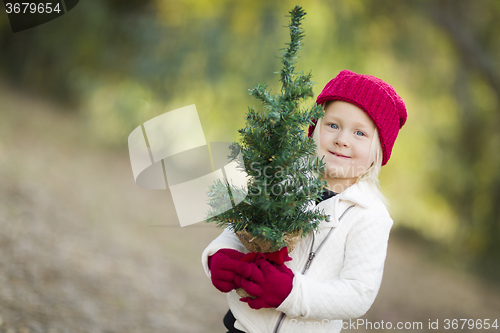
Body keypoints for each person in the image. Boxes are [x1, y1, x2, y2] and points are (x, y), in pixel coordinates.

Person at [201, 69, 407, 333]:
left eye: (360, 133)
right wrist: (220, 254)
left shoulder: (370, 215)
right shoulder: (286, 178)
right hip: (244, 324)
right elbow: (245, 227)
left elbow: (358, 293)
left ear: (378, 150)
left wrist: (291, 293)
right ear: (315, 128)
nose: (342, 140)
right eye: (333, 125)